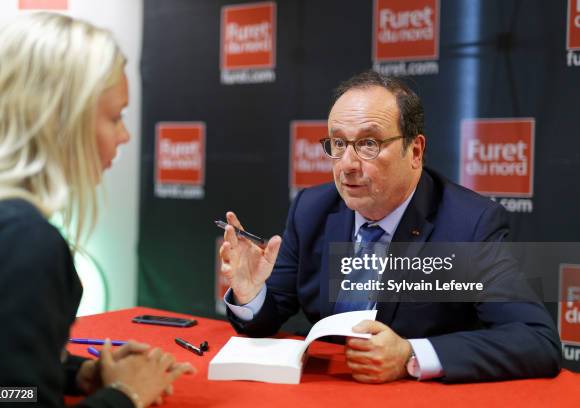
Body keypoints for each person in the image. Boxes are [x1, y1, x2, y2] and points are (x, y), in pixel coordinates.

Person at [219, 71, 561, 383]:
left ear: (415, 150)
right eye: (338, 143)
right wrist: (251, 295)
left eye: (369, 144)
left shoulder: (468, 225)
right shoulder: (312, 209)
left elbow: (535, 339)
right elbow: (271, 311)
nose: (348, 166)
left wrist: (410, 354)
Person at [0, 13, 194, 407]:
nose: (124, 135)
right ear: (58, 117)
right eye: (114, 117)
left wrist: (75, 373)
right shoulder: (20, 240)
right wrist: (125, 395)